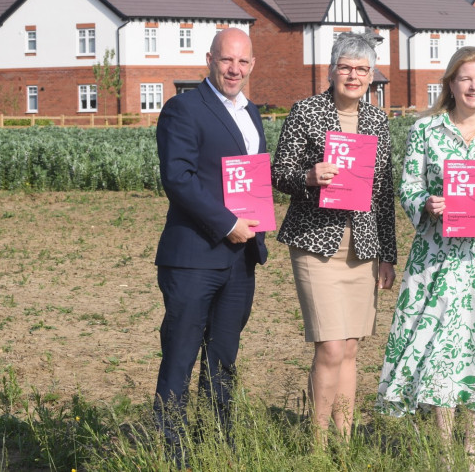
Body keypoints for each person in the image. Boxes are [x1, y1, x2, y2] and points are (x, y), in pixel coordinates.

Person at [377, 47, 475, 467]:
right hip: (438, 260)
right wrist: (425, 203)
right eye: (466, 78)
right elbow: (408, 186)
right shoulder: (426, 131)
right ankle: (445, 454)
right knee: (441, 351)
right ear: (451, 83)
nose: (474, 86)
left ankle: (473, 452)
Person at [272, 31, 397, 442]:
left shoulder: (378, 121)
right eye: (346, 67)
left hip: (362, 247)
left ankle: (344, 442)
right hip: (316, 244)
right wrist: (308, 177)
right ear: (332, 70)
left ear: (372, 76)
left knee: (351, 348)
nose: (354, 76)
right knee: (329, 346)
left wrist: (388, 255)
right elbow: (278, 173)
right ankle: (319, 444)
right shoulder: (306, 111)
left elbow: (383, 193)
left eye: (363, 70)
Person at [154, 27, 268, 458]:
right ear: (209, 59)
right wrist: (227, 224)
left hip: (240, 261)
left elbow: (250, 177)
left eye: (242, 61)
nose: (234, 69)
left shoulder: (251, 112)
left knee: (223, 358)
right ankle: (172, 452)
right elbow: (177, 179)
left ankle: (218, 445)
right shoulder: (183, 108)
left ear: (252, 64)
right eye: (226, 60)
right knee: (181, 356)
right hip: (194, 257)